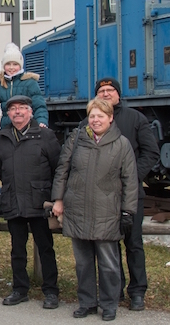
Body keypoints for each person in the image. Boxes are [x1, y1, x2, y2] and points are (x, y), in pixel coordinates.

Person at [51, 98, 138, 321]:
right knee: (83, 262)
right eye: (92, 116)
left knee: (109, 264)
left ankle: (109, 304)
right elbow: (63, 169)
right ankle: (87, 302)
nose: (96, 120)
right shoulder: (77, 138)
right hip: (77, 208)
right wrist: (58, 200)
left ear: (110, 118)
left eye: (100, 116)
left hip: (106, 211)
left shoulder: (122, 144)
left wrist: (128, 211)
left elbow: (130, 180)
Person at [95, 77, 160, 311]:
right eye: (101, 91)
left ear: (118, 94)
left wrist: (132, 178)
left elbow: (151, 152)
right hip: (102, 196)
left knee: (133, 243)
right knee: (108, 245)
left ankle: (137, 291)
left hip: (130, 195)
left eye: (110, 90)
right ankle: (115, 290)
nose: (105, 94)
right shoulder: (89, 121)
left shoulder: (135, 118)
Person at [0, 95, 61, 309]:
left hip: (39, 201)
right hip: (13, 200)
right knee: (17, 249)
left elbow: (56, 168)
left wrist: (52, 196)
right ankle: (19, 289)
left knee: (45, 248)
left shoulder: (45, 135)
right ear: (7, 114)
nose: (17, 112)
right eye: (12, 109)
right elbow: (0, 170)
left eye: (22, 108)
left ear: (31, 112)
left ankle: (51, 291)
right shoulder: (2, 137)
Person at [0, 43, 48, 128]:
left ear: (20, 66)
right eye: (8, 64)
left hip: (26, 127)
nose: (11, 68)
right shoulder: (0, 85)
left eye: (15, 64)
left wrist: (42, 121)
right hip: (7, 127)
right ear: (4, 66)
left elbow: (39, 105)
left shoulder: (30, 83)